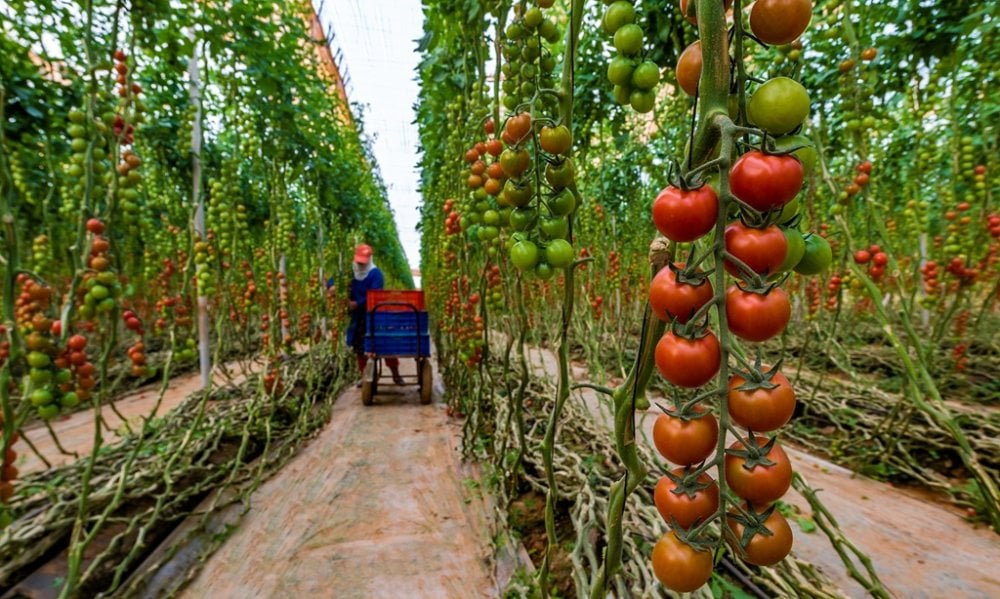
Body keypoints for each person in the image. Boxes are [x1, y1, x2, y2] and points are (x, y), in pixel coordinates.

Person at [332, 243, 403, 386]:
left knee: (385, 345)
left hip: (374, 314)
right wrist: (331, 286)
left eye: (363, 261)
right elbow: (335, 280)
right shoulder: (349, 271)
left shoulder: (375, 274)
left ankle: (396, 374)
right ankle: (364, 376)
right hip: (357, 317)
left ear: (370, 259)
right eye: (359, 261)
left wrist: (357, 303)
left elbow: (374, 295)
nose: (361, 264)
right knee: (360, 348)